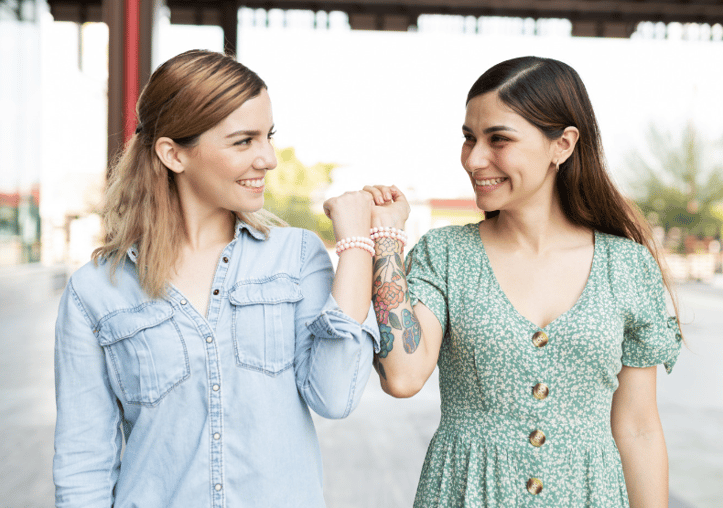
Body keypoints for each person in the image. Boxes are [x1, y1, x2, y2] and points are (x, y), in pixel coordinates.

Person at [53, 49, 380, 508]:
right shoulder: (94, 292)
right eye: (243, 141)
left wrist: (356, 246)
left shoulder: (297, 257)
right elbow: (83, 463)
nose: (267, 158)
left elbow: (335, 394)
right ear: (173, 154)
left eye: (268, 136)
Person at [355, 56, 683, 507]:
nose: (474, 158)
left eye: (498, 139)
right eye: (469, 138)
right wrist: (388, 239)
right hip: (467, 493)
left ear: (563, 144)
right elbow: (403, 375)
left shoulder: (625, 266)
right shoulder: (446, 254)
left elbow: (639, 428)